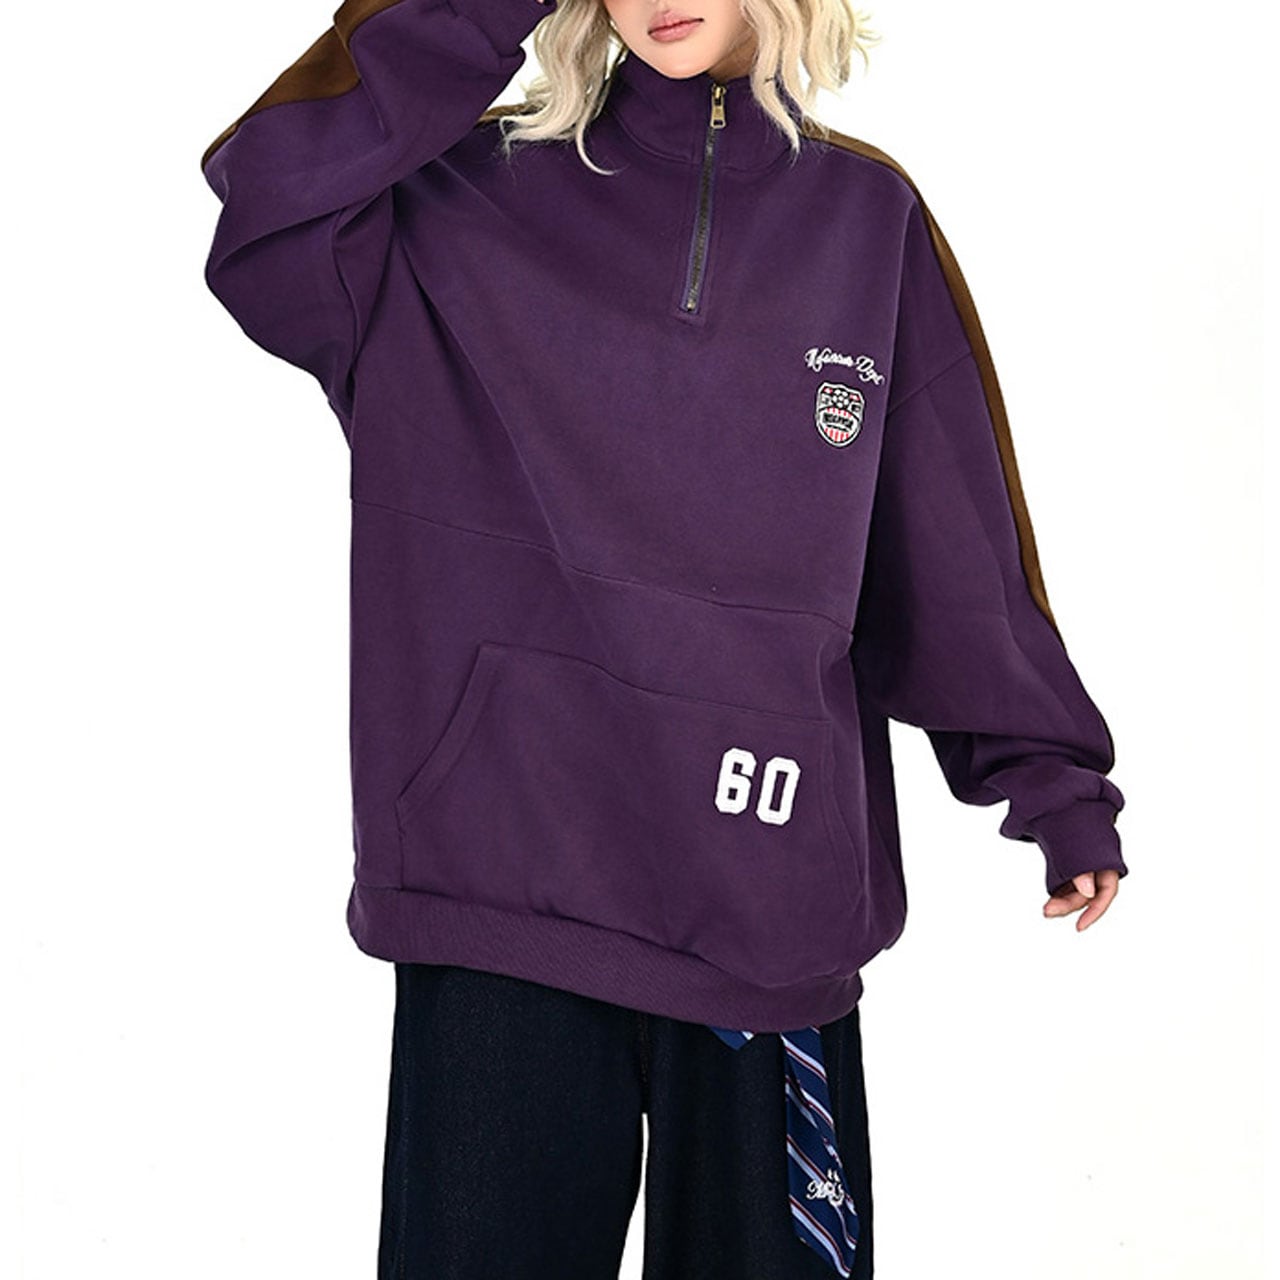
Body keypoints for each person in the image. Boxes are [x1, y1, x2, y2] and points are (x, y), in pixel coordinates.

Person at [199, 0, 1128, 1275]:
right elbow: (267, 200)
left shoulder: (865, 224)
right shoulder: (448, 202)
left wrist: (1050, 779)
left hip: (764, 910)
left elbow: (945, 542)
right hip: (502, 894)